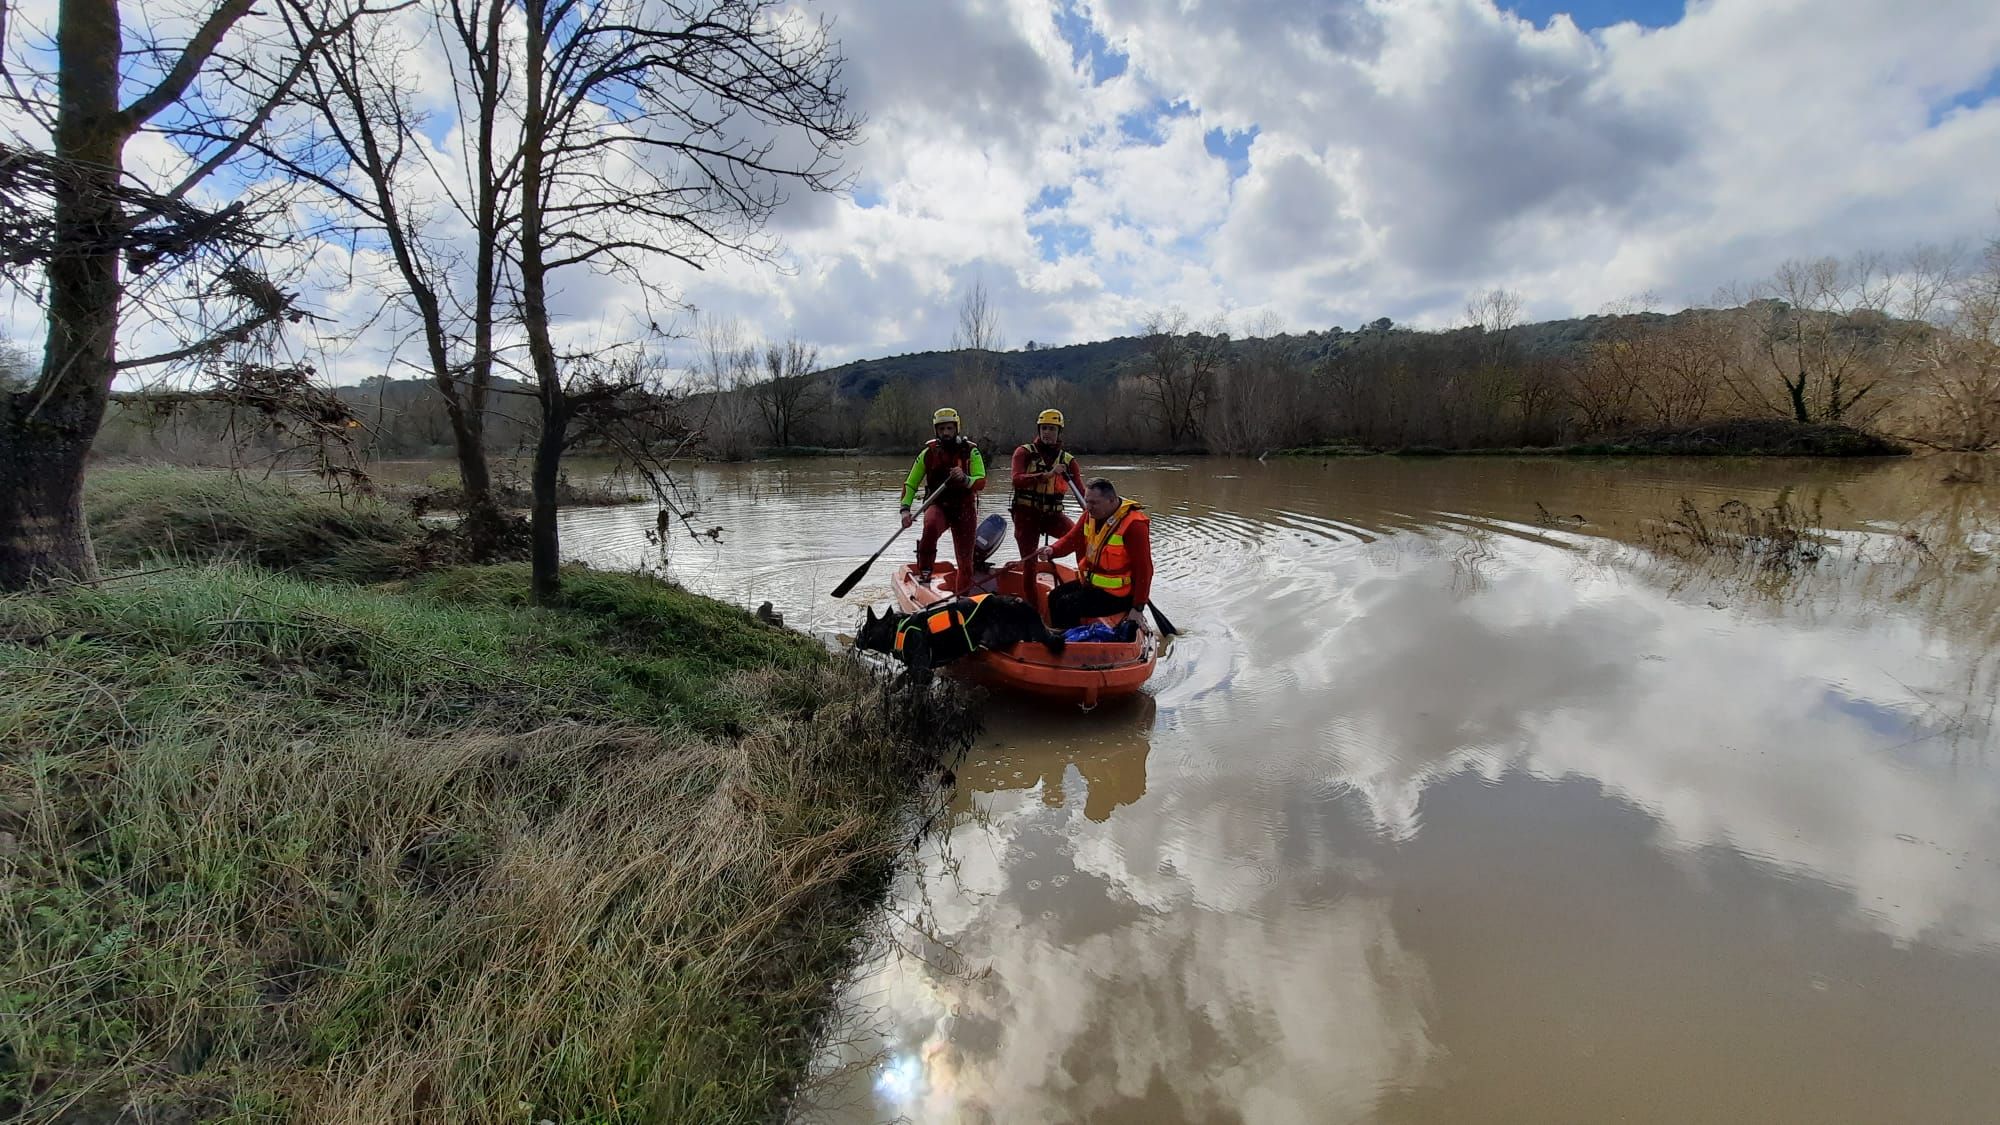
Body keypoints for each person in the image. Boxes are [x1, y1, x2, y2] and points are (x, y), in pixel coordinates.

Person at [1034, 476, 1151, 630]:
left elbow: (1145, 570)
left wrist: (1138, 607)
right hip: (1093, 585)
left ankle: (1066, 645)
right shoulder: (1091, 515)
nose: (1088, 507)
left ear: (1111, 500)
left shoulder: (1134, 525)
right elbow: (1072, 539)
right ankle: (1063, 636)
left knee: (1067, 604)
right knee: (1055, 596)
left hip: (1119, 595)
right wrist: (1053, 550)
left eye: (1094, 503)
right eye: (1087, 501)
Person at [900, 407, 986, 593]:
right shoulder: (928, 454)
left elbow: (981, 481)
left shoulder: (971, 452)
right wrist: (905, 509)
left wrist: (965, 478)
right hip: (938, 505)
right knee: (930, 525)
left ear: (956, 428)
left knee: (965, 561)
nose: (945, 433)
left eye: (949, 428)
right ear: (936, 431)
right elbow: (911, 483)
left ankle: (962, 598)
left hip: (964, 509)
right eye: (941, 429)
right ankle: (925, 572)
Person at [1009, 408, 1085, 592]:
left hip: (1052, 515)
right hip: (1026, 516)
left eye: (1052, 429)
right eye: (1044, 428)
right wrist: (1047, 475)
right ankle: (1033, 609)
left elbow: (1082, 493)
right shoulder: (1023, 452)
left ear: (1059, 432)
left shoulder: (1067, 461)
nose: (1047, 433)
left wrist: (1101, 512)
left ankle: (1086, 587)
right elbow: (1016, 479)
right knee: (1030, 564)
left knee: (1082, 539)